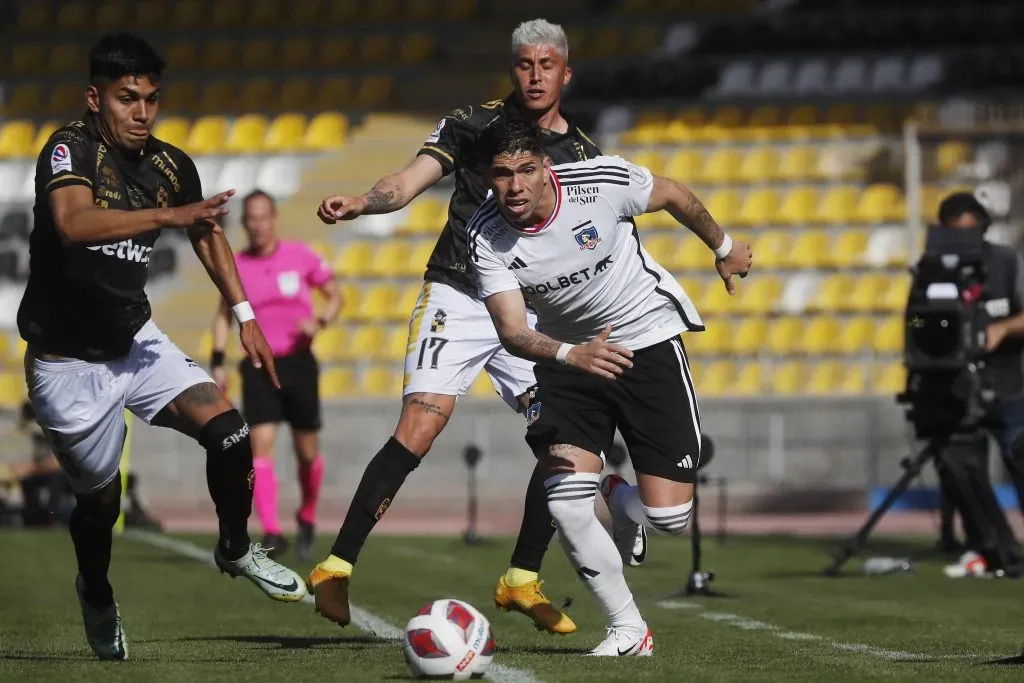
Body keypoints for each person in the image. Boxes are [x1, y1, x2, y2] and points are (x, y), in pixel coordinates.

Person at [307, 19, 628, 634]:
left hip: (527, 309)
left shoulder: (584, 155)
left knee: (564, 439)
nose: (535, 76)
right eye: (524, 65)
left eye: (546, 64)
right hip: (458, 291)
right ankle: (336, 567)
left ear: (566, 72)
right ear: (513, 70)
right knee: (420, 427)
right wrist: (363, 202)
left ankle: (521, 579)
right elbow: (405, 183)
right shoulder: (472, 124)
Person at [17, 33, 307, 661]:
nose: (142, 112)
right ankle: (95, 590)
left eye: (151, 99)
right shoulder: (68, 148)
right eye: (127, 99)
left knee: (228, 430)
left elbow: (206, 235)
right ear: (96, 99)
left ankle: (235, 547)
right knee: (100, 506)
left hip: (135, 340)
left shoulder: (171, 165)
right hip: (67, 366)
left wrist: (245, 313)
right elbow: (73, 224)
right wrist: (166, 218)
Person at [467, 118, 752, 655]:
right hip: (569, 360)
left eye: (526, 170)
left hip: (646, 343)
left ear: (546, 167)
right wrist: (574, 354)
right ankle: (628, 630)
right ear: (489, 178)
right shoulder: (485, 233)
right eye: (501, 174)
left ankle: (622, 502)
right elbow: (512, 330)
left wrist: (724, 245)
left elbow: (673, 194)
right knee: (566, 501)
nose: (515, 186)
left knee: (670, 519)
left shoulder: (602, 183)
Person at [210, 189, 342, 562]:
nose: (257, 225)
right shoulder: (235, 264)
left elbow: (334, 295)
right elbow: (223, 314)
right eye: (250, 218)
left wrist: (320, 321)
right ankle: (271, 529)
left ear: (274, 218)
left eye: (263, 217)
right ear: (244, 223)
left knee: (306, 452)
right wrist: (217, 360)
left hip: (298, 362)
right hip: (256, 364)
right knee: (260, 444)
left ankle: (307, 516)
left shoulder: (299, 256)